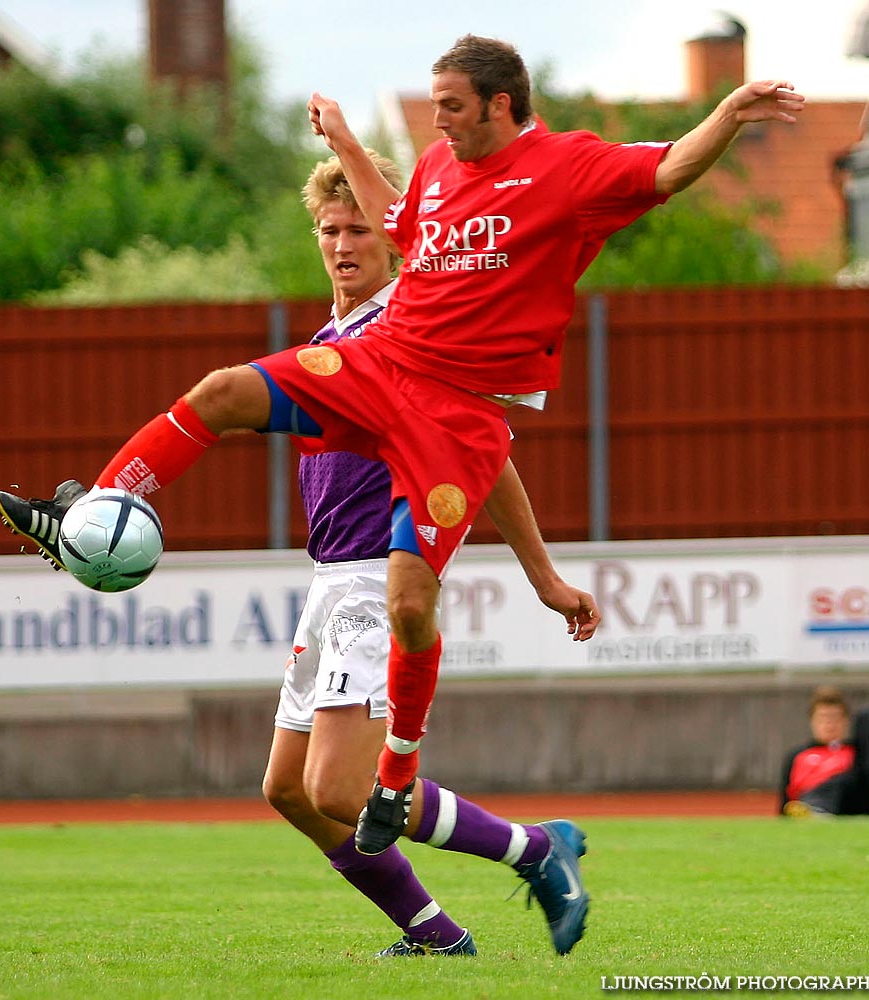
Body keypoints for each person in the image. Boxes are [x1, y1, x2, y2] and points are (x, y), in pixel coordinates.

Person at [0, 33, 804, 867]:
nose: (437, 120)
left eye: (451, 105)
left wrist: (731, 113)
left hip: (457, 414)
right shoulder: (438, 171)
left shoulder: (567, 167)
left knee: (411, 605)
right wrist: (344, 141)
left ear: (499, 103)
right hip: (382, 363)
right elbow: (401, 223)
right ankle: (88, 510)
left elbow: (666, 168)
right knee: (221, 390)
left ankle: (400, 773)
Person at [262, 150, 596, 956]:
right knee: (288, 791)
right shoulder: (328, 335)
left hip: (379, 576)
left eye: (359, 228)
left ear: (394, 238)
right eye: (328, 229)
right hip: (328, 579)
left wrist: (543, 576)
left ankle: (535, 848)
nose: (343, 244)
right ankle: (436, 936)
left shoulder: (407, 333)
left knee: (338, 788)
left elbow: (488, 453)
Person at [779, 686, 869, 817]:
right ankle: (815, 808)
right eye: (823, 717)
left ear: (845, 720)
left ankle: (819, 809)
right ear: (812, 721)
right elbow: (785, 802)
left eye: (835, 717)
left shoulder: (857, 753)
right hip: (805, 804)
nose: (829, 724)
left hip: (849, 803)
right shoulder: (798, 756)